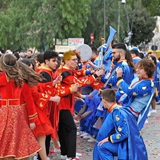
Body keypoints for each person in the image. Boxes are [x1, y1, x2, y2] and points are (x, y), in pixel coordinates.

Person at [58, 50, 105, 160]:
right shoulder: (65, 73)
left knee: (64, 128)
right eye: (74, 60)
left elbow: (80, 73)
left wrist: (91, 71)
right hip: (62, 104)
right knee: (71, 128)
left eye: (77, 60)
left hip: (65, 102)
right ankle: (70, 156)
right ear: (66, 61)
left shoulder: (69, 71)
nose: (76, 62)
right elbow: (80, 82)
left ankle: (65, 152)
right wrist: (95, 75)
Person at [0, 54, 41, 159]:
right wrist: (32, 119)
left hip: (5, 112)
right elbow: (29, 100)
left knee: (5, 140)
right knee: (18, 139)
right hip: (18, 113)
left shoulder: (3, 79)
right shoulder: (20, 79)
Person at [93, 89, 148, 160]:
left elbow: (124, 133)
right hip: (134, 142)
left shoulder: (117, 113)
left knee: (101, 146)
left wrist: (109, 139)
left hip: (128, 145)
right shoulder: (121, 108)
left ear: (104, 100)